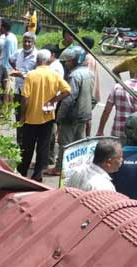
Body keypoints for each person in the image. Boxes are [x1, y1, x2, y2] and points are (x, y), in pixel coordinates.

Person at [18, 49, 71, 181]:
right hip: (47, 118)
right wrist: (53, 100)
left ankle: (22, 173)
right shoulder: (54, 74)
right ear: (48, 61)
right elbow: (67, 91)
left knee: (27, 147)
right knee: (43, 148)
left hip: (31, 118)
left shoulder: (31, 75)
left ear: (37, 61)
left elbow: (25, 97)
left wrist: (22, 115)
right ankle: (37, 175)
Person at [49, 46, 95, 176]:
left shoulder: (74, 76)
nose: (66, 63)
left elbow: (69, 98)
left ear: (76, 60)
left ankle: (59, 168)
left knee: (65, 143)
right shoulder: (89, 73)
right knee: (79, 142)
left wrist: (59, 116)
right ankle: (77, 167)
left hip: (72, 116)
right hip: (84, 114)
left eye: (69, 61)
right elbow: (92, 97)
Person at [10, 32, 38, 146]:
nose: (26, 44)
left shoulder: (37, 56)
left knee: (28, 118)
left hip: (30, 93)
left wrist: (21, 75)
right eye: (25, 41)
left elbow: (37, 74)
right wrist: (15, 69)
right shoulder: (18, 53)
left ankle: (27, 144)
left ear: (33, 42)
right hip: (18, 91)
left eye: (29, 41)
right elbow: (10, 59)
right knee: (18, 118)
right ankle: (19, 144)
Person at [96, 68, 137, 139]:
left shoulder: (118, 86)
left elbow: (106, 111)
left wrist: (100, 130)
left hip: (118, 133)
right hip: (134, 136)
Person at [81, 36, 101, 137]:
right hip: (92, 93)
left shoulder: (87, 58)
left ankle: (87, 137)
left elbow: (85, 77)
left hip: (89, 93)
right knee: (87, 117)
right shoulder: (90, 56)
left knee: (86, 117)